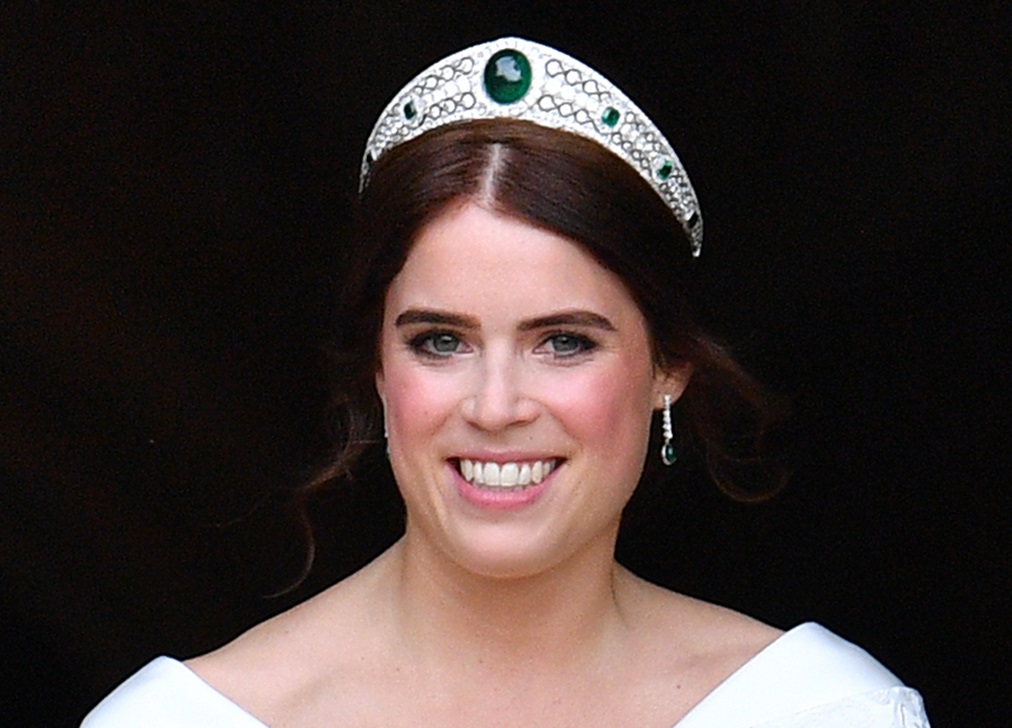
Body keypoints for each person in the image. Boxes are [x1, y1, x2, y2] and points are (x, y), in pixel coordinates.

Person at [82, 37, 929, 727]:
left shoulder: (828, 710)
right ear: (378, 365)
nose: (495, 408)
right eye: (441, 341)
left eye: (563, 342)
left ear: (671, 364)